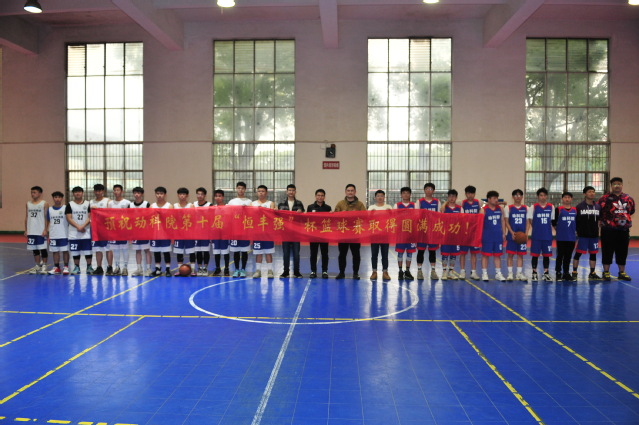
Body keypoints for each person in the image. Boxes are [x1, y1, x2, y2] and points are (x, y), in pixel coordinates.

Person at [598, 177, 635, 281]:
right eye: (614, 184)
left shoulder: (628, 198)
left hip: (623, 230)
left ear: (622, 185)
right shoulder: (604, 198)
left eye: (619, 184)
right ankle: (606, 272)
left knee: (622, 252)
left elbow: (631, 211)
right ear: (611, 186)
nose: (617, 186)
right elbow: (599, 211)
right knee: (607, 251)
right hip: (608, 229)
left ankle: (622, 272)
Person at [334, 184, 366, 279]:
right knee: (342, 254)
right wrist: (341, 214)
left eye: (352, 190)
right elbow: (335, 217)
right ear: (345, 192)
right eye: (348, 190)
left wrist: (356, 215)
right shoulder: (340, 204)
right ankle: (341, 273)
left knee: (356, 254)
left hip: (355, 233)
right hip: (343, 233)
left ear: (355, 192)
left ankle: (355, 273)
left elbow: (364, 217)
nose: (350, 192)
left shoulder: (360, 204)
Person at [573, 186, 601, 280]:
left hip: (594, 235)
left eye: (593, 191)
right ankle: (574, 272)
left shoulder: (598, 207)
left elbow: (599, 220)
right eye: (589, 192)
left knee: (593, 254)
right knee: (578, 254)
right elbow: (576, 221)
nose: (592, 193)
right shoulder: (579, 207)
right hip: (583, 235)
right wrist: (577, 231)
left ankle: (592, 273)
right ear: (584, 194)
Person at [278, 184, 305, 278]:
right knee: (286, 253)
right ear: (287, 192)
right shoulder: (281, 203)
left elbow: (303, 217)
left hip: (296, 233)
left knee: (296, 253)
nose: (291, 192)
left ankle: (296, 272)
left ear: (295, 192)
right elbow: (278, 217)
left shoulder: (299, 203)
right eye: (289, 190)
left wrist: (301, 213)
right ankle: (285, 272)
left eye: (293, 190)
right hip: (285, 233)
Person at [528, 187, 554, 281]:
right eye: (541, 195)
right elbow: (530, 220)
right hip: (536, 236)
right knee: (535, 255)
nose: (543, 197)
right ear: (538, 196)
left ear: (547, 196)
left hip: (547, 236)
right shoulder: (533, 207)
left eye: (544, 195)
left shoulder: (551, 207)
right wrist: (537, 228)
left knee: (547, 255)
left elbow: (551, 221)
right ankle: (534, 273)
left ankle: (546, 273)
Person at [66, 186, 93, 274]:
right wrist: (78, 226)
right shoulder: (70, 204)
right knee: (75, 251)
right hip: (74, 232)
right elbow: (68, 218)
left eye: (79, 192)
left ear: (82, 193)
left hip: (86, 231)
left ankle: (89, 266)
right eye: (76, 192)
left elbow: (90, 217)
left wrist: (83, 226)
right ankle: (76, 267)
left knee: (88, 250)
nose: (78, 193)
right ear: (73, 194)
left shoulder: (88, 204)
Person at [480, 190, 506, 282]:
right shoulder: (483, 210)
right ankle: (484, 273)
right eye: (494, 198)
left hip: (498, 236)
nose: (496, 200)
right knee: (485, 255)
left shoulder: (500, 209)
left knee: (497, 255)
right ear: (489, 199)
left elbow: (503, 221)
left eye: (497, 198)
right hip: (487, 236)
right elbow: (480, 223)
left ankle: (498, 273)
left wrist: (504, 233)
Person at [228, 182, 252, 277]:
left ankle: (243, 269)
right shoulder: (231, 202)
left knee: (244, 251)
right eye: (239, 188)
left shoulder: (249, 202)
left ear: (245, 189)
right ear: (236, 189)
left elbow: (251, 215)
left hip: (245, 231)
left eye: (242, 188)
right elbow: (228, 214)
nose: (240, 190)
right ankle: (236, 269)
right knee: (236, 251)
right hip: (234, 230)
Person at [416, 182, 440, 280]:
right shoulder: (419, 202)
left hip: (433, 230)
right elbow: (416, 215)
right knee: (420, 250)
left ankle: (433, 271)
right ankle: (419, 271)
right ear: (424, 190)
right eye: (427, 189)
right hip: (422, 230)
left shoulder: (437, 202)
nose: (428, 191)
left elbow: (439, 216)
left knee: (432, 251)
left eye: (430, 189)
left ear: (433, 191)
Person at [504, 189, 529, 281]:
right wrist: (511, 232)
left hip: (522, 235)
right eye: (515, 195)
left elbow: (528, 222)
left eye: (519, 195)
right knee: (510, 255)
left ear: (522, 197)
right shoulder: (508, 208)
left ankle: (519, 273)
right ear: (512, 197)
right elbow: (506, 222)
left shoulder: (526, 208)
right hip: (512, 235)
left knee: (520, 255)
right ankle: (510, 273)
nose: (517, 197)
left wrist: (526, 234)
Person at [106, 184, 131, 276]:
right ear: (113, 192)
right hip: (114, 229)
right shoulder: (110, 203)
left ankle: (125, 267)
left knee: (124, 248)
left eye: (118, 190)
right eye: (115, 190)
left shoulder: (127, 203)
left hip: (124, 229)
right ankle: (117, 267)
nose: (116, 192)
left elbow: (130, 216)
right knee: (115, 248)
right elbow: (108, 215)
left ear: (122, 191)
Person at [553, 192, 577, 282]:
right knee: (560, 256)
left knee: (568, 256)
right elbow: (553, 222)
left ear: (571, 199)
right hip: (561, 237)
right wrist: (559, 230)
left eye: (569, 197)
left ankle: (566, 273)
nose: (567, 199)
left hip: (571, 237)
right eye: (565, 197)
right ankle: (558, 272)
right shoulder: (558, 209)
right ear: (562, 199)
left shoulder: (575, 210)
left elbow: (578, 222)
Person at [252, 185, 276, 278]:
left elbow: (273, 215)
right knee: (258, 252)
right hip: (257, 233)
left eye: (263, 191)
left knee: (268, 252)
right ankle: (258, 271)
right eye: (259, 191)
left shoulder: (271, 203)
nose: (261, 193)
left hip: (268, 233)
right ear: (257, 193)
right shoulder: (252, 204)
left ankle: (270, 271)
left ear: (266, 193)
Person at [307, 189, 332, 279]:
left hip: (324, 234)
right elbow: (307, 220)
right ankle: (313, 271)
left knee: (324, 254)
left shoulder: (328, 208)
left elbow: (330, 221)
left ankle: (324, 271)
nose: (320, 197)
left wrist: (332, 214)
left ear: (324, 197)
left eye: (322, 195)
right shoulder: (310, 207)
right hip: (313, 234)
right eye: (318, 195)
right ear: (315, 196)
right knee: (313, 253)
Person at [25, 185, 49, 274]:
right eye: (31, 192)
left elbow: (47, 218)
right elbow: (27, 217)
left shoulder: (44, 203)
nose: (32, 194)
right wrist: (26, 229)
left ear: (40, 193)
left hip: (41, 230)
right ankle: (37, 265)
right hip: (31, 230)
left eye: (34, 192)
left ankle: (44, 265)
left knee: (42, 249)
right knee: (34, 249)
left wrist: (45, 229)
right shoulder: (28, 203)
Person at [393, 187, 416, 280]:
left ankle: (407, 271)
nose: (406, 194)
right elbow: (394, 219)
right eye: (404, 193)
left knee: (410, 253)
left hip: (411, 233)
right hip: (401, 234)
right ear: (401, 195)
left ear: (410, 195)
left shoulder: (414, 205)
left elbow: (417, 218)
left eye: (407, 193)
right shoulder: (397, 205)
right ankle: (400, 271)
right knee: (400, 253)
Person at [150, 186, 173, 277]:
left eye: (161, 193)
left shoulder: (169, 206)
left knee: (166, 251)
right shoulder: (152, 206)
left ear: (165, 195)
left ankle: (167, 269)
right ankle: (157, 269)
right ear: (155, 194)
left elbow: (171, 220)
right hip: (155, 232)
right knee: (156, 251)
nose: (159, 195)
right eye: (157, 193)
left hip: (165, 233)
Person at [173, 187, 196, 276]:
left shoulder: (191, 206)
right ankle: (179, 269)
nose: (182, 196)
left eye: (184, 194)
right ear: (178, 195)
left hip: (189, 232)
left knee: (191, 251)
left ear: (187, 195)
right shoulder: (175, 206)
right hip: (178, 232)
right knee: (179, 252)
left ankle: (193, 270)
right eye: (180, 194)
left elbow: (193, 218)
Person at [369, 189, 392, 281]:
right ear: (375, 197)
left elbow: (393, 219)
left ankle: (385, 272)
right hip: (374, 234)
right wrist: (371, 214)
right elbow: (368, 220)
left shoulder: (388, 207)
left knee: (385, 255)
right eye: (378, 196)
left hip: (385, 234)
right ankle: (374, 272)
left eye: (381, 196)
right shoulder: (371, 208)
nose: (380, 197)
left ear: (384, 197)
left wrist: (390, 213)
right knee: (374, 254)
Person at [130, 187, 152, 277]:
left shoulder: (146, 204)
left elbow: (150, 216)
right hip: (135, 231)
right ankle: (139, 268)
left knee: (147, 250)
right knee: (137, 250)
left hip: (145, 231)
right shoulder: (130, 205)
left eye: (138, 193)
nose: (136, 194)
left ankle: (148, 269)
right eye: (135, 193)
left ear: (142, 194)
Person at [460, 185, 481, 280]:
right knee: (463, 253)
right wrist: (444, 205)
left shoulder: (478, 203)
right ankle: (462, 271)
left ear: (474, 194)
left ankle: (473, 272)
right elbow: (449, 202)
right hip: (464, 232)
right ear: (465, 194)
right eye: (468, 193)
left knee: (474, 253)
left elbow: (490, 204)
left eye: (472, 193)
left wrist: (502, 203)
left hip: (474, 232)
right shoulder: (462, 203)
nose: (470, 195)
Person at [440, 189, 462, 280]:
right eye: (450, 196)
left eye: (453, 196)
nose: (452, 198)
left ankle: (451, 271)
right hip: (445, 235)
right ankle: (444, 272)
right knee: (445, 254)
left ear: (456, 197)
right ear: (448, 197)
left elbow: (463, 221)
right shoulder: (443, 208)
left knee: (454, 254)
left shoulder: (460, 209)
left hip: (456, 235)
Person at [89, 184, 111, 275]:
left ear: (103, 191)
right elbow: (89, 215)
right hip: (95, 228)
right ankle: (99, 267)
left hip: (105, 228)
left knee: (108, 248)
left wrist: (99, 209)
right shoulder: (91, 202)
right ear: (94, 191)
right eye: (96, 191)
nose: (98, 192)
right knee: (97, 249)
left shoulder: (108, 201)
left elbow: (110, 214)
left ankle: (110, 267)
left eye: (100, 191)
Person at [46, 191, 69, 275]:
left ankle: (66, 267)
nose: (57, 199)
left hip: (64, 234)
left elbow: (69, 220)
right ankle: (56, 268)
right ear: (53, 198)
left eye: (59, 197)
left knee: (65, 251)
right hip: (53, 234)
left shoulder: (66, 208)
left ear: (62, 198)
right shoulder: (49, 209)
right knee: (55, 251)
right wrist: (46, 230)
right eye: (55, 197)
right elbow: (48, 221)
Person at [211, 189, 230, 277]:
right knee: (216, 252)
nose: (218, 198)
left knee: (225, 252)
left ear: (223, 197)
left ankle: (226, 268)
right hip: (215, 233)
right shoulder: (212, 208)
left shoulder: (227, 207)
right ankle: (218, 268)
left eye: (219, 196)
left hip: (225, 232)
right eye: (216, 196)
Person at [193, 187, 212, 276]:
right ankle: (200, 267)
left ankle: (205, 268)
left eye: (201, 194)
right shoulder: (193, 205)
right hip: (196, 231)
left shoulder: (209, 205)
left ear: (205, 195)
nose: (200, 196)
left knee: (206, 250)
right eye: (198, 194)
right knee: (198, 251)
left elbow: (212, 218)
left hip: (206, 231)